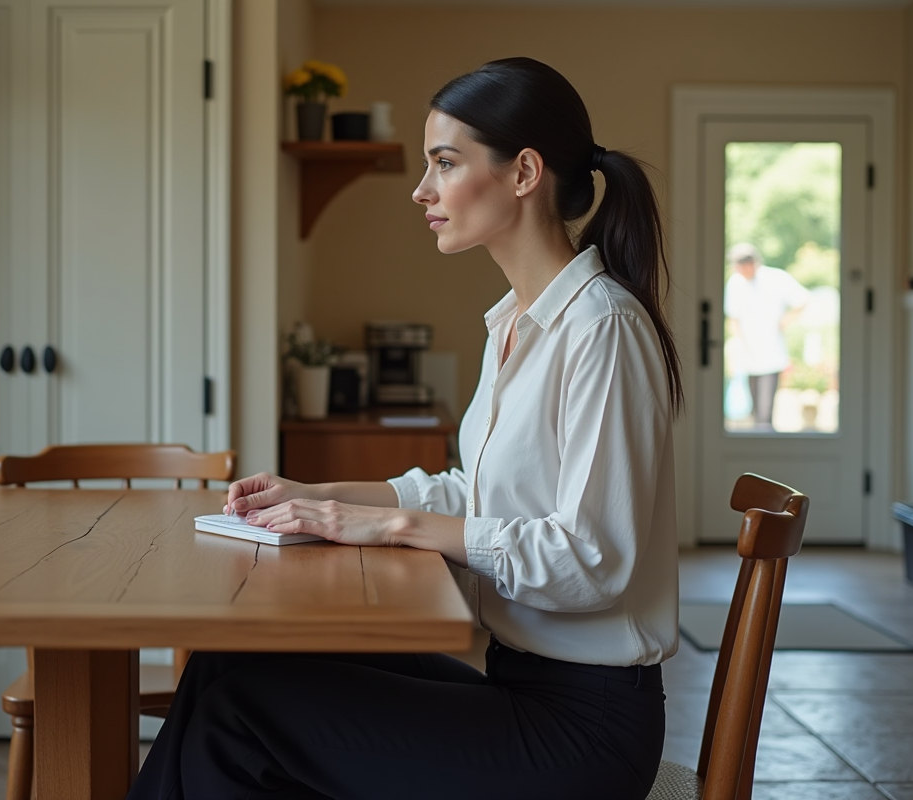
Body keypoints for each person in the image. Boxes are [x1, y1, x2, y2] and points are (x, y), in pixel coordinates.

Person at [127, 57, 682, 800]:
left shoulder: (601, 328)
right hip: (523, 684)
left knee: (241, 717)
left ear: (523, 172)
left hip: (584, 733)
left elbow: (591, 560)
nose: (422, 190)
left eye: (445, 164)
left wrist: (391, 526)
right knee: (229, 663)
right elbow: (471, 491)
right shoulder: (517, 322)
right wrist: (316, 494)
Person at [723, 242, 810, 429]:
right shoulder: (735, 282)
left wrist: (784, 321)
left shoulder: (775, 278)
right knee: (754, 411)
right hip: (747, 355)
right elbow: (733, 318)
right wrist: (736, 347)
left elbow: (802, 298)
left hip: (771, 354)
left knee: (765, 413)